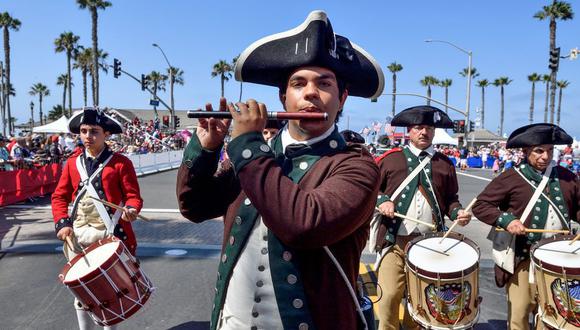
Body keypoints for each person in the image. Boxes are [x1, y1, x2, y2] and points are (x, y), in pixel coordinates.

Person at [176, 10, 383, 330]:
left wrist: (247, 144)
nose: (311, 92)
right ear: (283, 97)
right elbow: (195, 205)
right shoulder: (256, 155)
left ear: (341, 98)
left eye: (324, 83)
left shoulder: (355, 166)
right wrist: (206, 148)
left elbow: (305, 225)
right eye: (298, 83)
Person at [372, 105, 472, 330]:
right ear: (409, 131)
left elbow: (451, 200)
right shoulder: (390, 159)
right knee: (388, 295)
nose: (424, 132)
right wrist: (383, 201)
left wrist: (458, 213)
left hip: (429, 244)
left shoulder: (445, 164)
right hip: (394, 242)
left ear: (434, 132)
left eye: (428, 128)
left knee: (420, 300)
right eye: (418, 128)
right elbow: (370, 190)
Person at [472, 123, 580, 329]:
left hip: (560, 259)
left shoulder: (567, 177)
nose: (545, 157)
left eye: (550, 150)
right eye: (539, 151)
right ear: (526, 151)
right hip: (522, 257)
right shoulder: (511, 177)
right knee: (520, 313)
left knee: (554, 313)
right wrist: (507, 220)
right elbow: (481, 205)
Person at [51, 108, 143, 330]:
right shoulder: (72, 163)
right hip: (77, 236)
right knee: (82, 291)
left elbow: (133, 196)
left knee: (111, 293)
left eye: (94, 131)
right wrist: (62, 223)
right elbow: (59, 196)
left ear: (106, 134)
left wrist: (131, 209)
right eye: (83, 131)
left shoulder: (121, 163)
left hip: (109, 235)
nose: (87, 136)